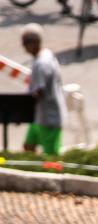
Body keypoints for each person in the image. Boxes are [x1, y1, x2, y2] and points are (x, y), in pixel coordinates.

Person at [21, 25, 65, 158]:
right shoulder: (45, 54)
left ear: (33, 43)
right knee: (29, 146)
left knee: (51, 158)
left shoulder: (42, 64)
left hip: (49, 117)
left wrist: (19, 108)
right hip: (38, 116)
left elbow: (38, 92)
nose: (23, 47)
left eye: (24, 43)